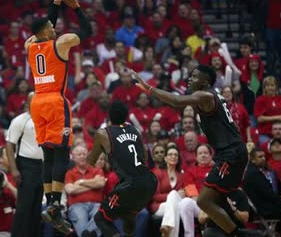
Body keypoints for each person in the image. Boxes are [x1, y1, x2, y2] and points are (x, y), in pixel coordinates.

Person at [131, 64, 248, 236]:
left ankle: (237, 234)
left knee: (204, 201)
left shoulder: (205, 95)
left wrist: (149, 88)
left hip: (231, 154)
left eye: (194, 77)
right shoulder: (212, 96)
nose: (189, 79)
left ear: (205, 81)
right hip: (231, 152)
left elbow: (177, 101)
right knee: (218, 200)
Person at [24, 0, 91, 234]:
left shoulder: (30, 45)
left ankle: (50, 203)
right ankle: (54, 204)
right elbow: (87, 33)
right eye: (51, 27)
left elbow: (42, 27)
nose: (55, 28)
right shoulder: (60, 43)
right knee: (61, 151)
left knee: (47, 153)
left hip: (36, 100)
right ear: (45, 32)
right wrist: (76, 7)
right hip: (54, 100)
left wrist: (54, 4)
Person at [87, 101, 158, 237]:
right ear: (126, 116)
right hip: (150, 181)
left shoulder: (104, 133)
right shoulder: (135, 131)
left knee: (100, 219)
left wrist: (103, 149)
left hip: (130, 184)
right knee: (129, 217)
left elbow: (91, 161)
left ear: (109, 116)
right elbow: (144, 155)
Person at [5, 92, 44, 237]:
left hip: (43, 166)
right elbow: (9, 145)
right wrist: (14, 169)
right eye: (32, 101)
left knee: (36, 207)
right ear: (27, 103)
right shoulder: (20, 120)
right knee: (24, 207)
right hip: (26, 166)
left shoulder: (47, 119)